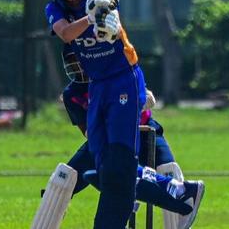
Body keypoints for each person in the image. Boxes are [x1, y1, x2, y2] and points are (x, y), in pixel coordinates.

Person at [43, 0, 202, 228]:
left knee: (119, 161)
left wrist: (106, 17)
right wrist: (90, 19)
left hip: (123, 77)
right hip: (98, 86)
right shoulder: (55, 9)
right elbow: (66, 33)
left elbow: (114, 26)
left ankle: (168, 194)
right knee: (105, 167)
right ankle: (181, 192)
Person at [60, 46, 204, 229]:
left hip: (145, 131)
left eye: (80, 64)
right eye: (73, 66)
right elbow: (88, 131)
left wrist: (126, 107)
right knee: (64, 179)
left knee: (169, 170)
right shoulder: (72, 94)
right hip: (107, 140)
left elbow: (149, 99)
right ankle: (129, 192)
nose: (79, 70)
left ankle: (181, 203)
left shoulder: (112, 74)